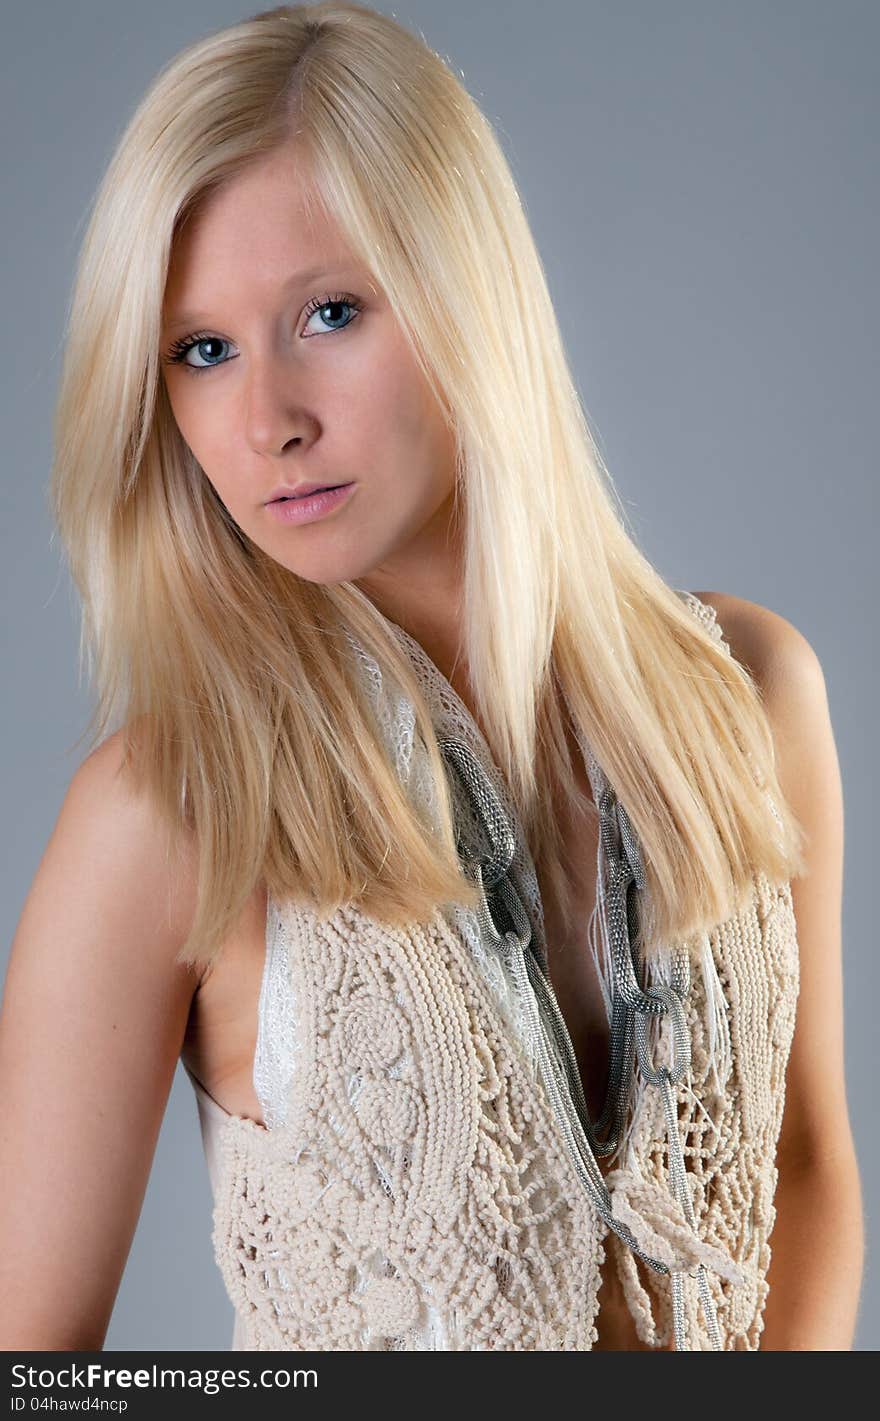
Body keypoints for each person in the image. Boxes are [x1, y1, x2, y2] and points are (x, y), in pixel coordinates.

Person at [0, 2, 863, 1351]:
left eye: (330, 312)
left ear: (469, 290)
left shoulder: (752, 692)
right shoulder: (167, 809)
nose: (267, 418)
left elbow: (804, 1170)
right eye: (201, 349)